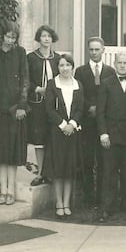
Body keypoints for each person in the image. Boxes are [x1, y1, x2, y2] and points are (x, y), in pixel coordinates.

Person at [97, 52, 126, 221]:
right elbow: (100, 112)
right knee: (109, 172)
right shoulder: (106, 83)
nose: (122, 65)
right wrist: (103, 133)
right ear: (114, 64)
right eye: (120, 63)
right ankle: (107, 207)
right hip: (111, 136)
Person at [0, 20, 29, 206]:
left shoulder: (20, 53)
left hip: (15, 110)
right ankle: (2, 190)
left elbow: (25, 80)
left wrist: (21, 105)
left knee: (12, 154)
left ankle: (10, 190)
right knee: (1, 152)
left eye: (13, 37)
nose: (10, 39)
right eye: (7, 36)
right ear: (2, 35)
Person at [73, 37, 116, 207]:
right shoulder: (81, 71)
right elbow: (78, 94)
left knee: (104, 161)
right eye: (91, 49)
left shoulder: (110, 71)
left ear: (103, 50)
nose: (94, 52)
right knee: (88, 159)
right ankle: (89, 196)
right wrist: (89, 107)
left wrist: (100, 109)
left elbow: (113, 96)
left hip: (104, 123)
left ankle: (102, 197)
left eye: (97, 49)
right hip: (88, 121)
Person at [43, 54, 84, 219]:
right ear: (57, 68)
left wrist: (72, 124)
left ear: (72, 67)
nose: (65, 68)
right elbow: (49, 109)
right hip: (57, 133)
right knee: (58, 169)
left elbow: (80, 107)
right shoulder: (53, 84)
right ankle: (58, 202)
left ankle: (67, 202)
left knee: (69, 169)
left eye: (68, 65)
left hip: (73, 132)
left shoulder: (78, 84)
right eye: (61, 65)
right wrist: (63, 125)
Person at [27, 25, 62, 187]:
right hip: (38, 103)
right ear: (38, 39)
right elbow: (26, 79)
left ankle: (51, 173)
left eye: (49, 36)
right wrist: (37, 89)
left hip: (55, 104)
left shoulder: (58, 59)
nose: (46, 39)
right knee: (39, 139)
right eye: (43, 36)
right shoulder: (31, 58)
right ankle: (40, 172)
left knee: (52, 138)